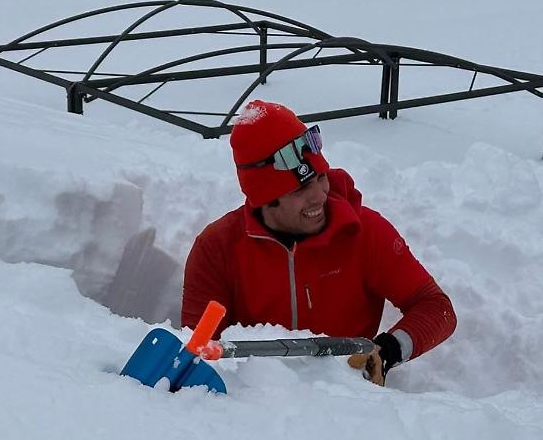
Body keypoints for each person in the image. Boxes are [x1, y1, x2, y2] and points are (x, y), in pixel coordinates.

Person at [181, 100, 456, 385]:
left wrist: (388, 351)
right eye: (300, 189)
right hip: (257, 405)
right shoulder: (216, 248)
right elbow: (195, 353)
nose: (319, 196)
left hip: (347, 403)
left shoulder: (364, 231)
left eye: (320, 177)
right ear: (264, 199)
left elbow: (437, 307)